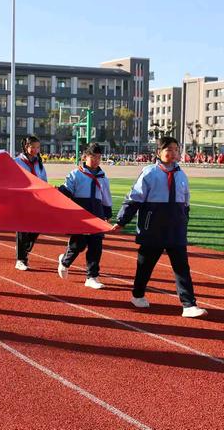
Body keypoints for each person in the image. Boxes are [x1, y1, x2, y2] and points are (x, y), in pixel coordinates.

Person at [110, 136, 207, 318]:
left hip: (175, 229)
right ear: (159, 152)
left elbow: (186, 202)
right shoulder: (149, 173)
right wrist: (122, 221)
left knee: (182, 267)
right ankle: (137, 295)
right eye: (168, 149)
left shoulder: (181, 174)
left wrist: (183, 221)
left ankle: (189, 304)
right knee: (145, 265)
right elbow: (134, 198)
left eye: (175, 149)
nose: (173, 153)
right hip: (152, 227)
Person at [57, 143, 112, 289]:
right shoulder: (76, 174)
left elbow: (106, 196)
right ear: (85, 156)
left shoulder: (103, 177)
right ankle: (65, 262)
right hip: (80, 214)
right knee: (78, 244)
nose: (96, 160)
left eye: (99, 157)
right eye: (93, 156)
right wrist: (57, 193)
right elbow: (66, 190)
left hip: (97, 214)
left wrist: (107, 213)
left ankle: (92, 276)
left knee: (96, 245)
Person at [14, 135, 48, 271]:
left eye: (38, 147)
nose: (35, 150)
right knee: (22, 228)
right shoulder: (17, 161)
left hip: (37, 198)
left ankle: (24, 247)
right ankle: (21, 260)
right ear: (26, 147)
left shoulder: (39, 163)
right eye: (32, 147)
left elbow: (43, 179)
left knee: (38, 225)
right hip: (22, 198)